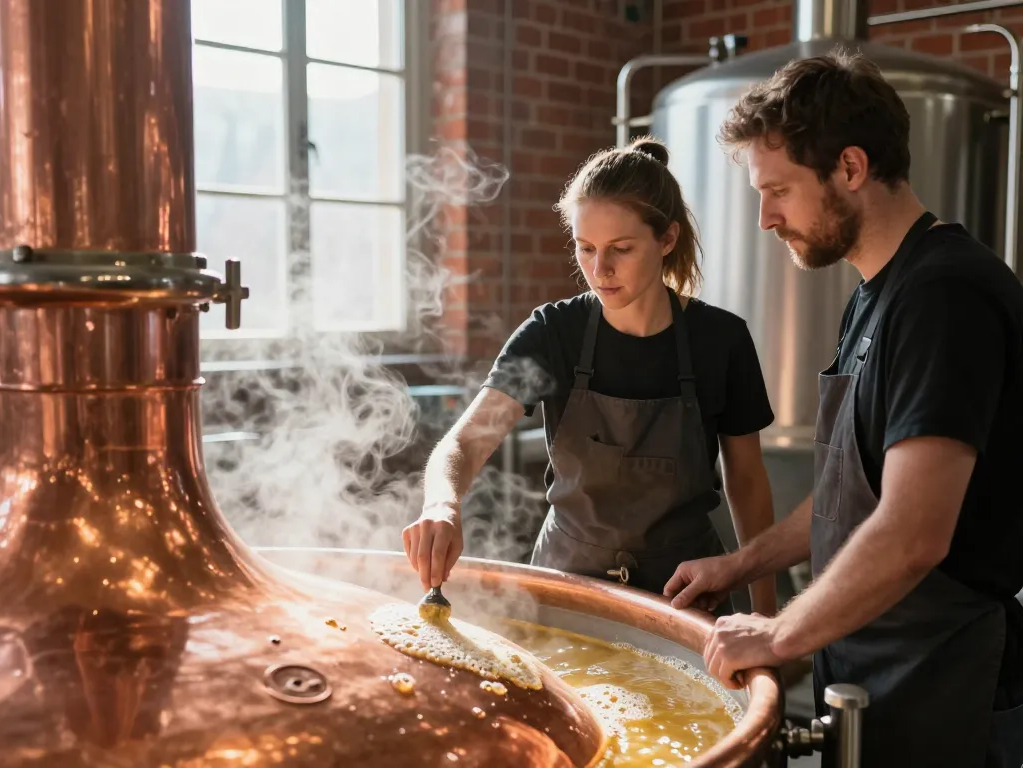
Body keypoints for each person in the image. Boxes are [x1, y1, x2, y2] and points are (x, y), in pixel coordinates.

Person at [664, 50, 1023, 768]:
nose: (765, 219)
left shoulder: (944, 296)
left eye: (780, 190)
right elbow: (847, 497)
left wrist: (777, 634)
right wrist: (741, 564)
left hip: (946, 683)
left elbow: (912, 531)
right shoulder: (875, 294)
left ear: (851, 169)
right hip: (871, 666)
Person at [402, 136, 778, 615]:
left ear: (667, 238)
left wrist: (765, 615)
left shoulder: (720, 340)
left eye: (621, 248)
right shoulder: (553, 333)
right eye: (585, 248)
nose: (600, 270)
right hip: (568, 587)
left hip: (686, 592)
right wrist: (442, 504)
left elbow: (746, 480)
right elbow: (465, 443)